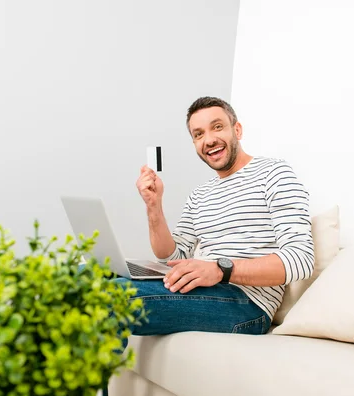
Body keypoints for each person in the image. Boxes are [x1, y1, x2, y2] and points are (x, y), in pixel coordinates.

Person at [117, 96, 315, 337]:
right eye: (198, 134)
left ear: (237, 130)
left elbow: (301, 259)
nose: (209, 140)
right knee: (86, 278)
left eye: (217, 127)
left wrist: (222, 270)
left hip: (248, 306)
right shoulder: (200, 194)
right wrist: (153, 206)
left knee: (108, 296)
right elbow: (172, 255)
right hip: (203, 290)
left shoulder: (274, 174)